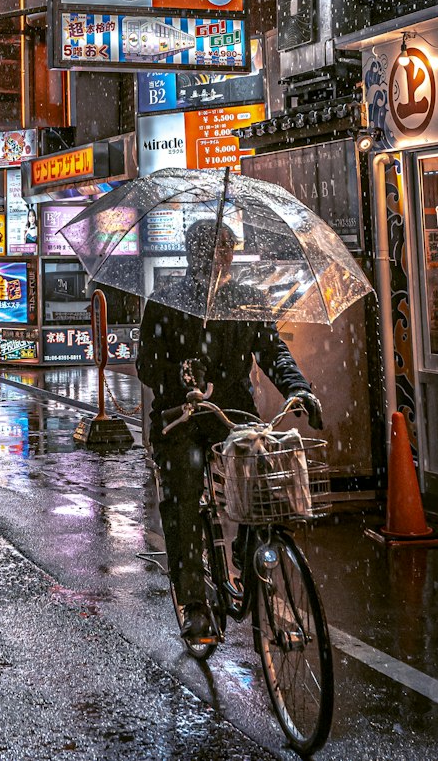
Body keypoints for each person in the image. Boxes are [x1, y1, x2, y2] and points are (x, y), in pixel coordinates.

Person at [136, 221, 322, 647]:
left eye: (227, 246)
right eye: (215, 247)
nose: (223, 254)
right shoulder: (166, 302)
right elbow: (147, 364)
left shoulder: (246, 300)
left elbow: (272, 351)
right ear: (193, 252)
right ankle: (195, 605)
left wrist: (298, 388)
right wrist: (182, 377)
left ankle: (250, 558)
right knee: (183, 494)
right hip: (178, 418)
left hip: (234, 416)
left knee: (267, 485)